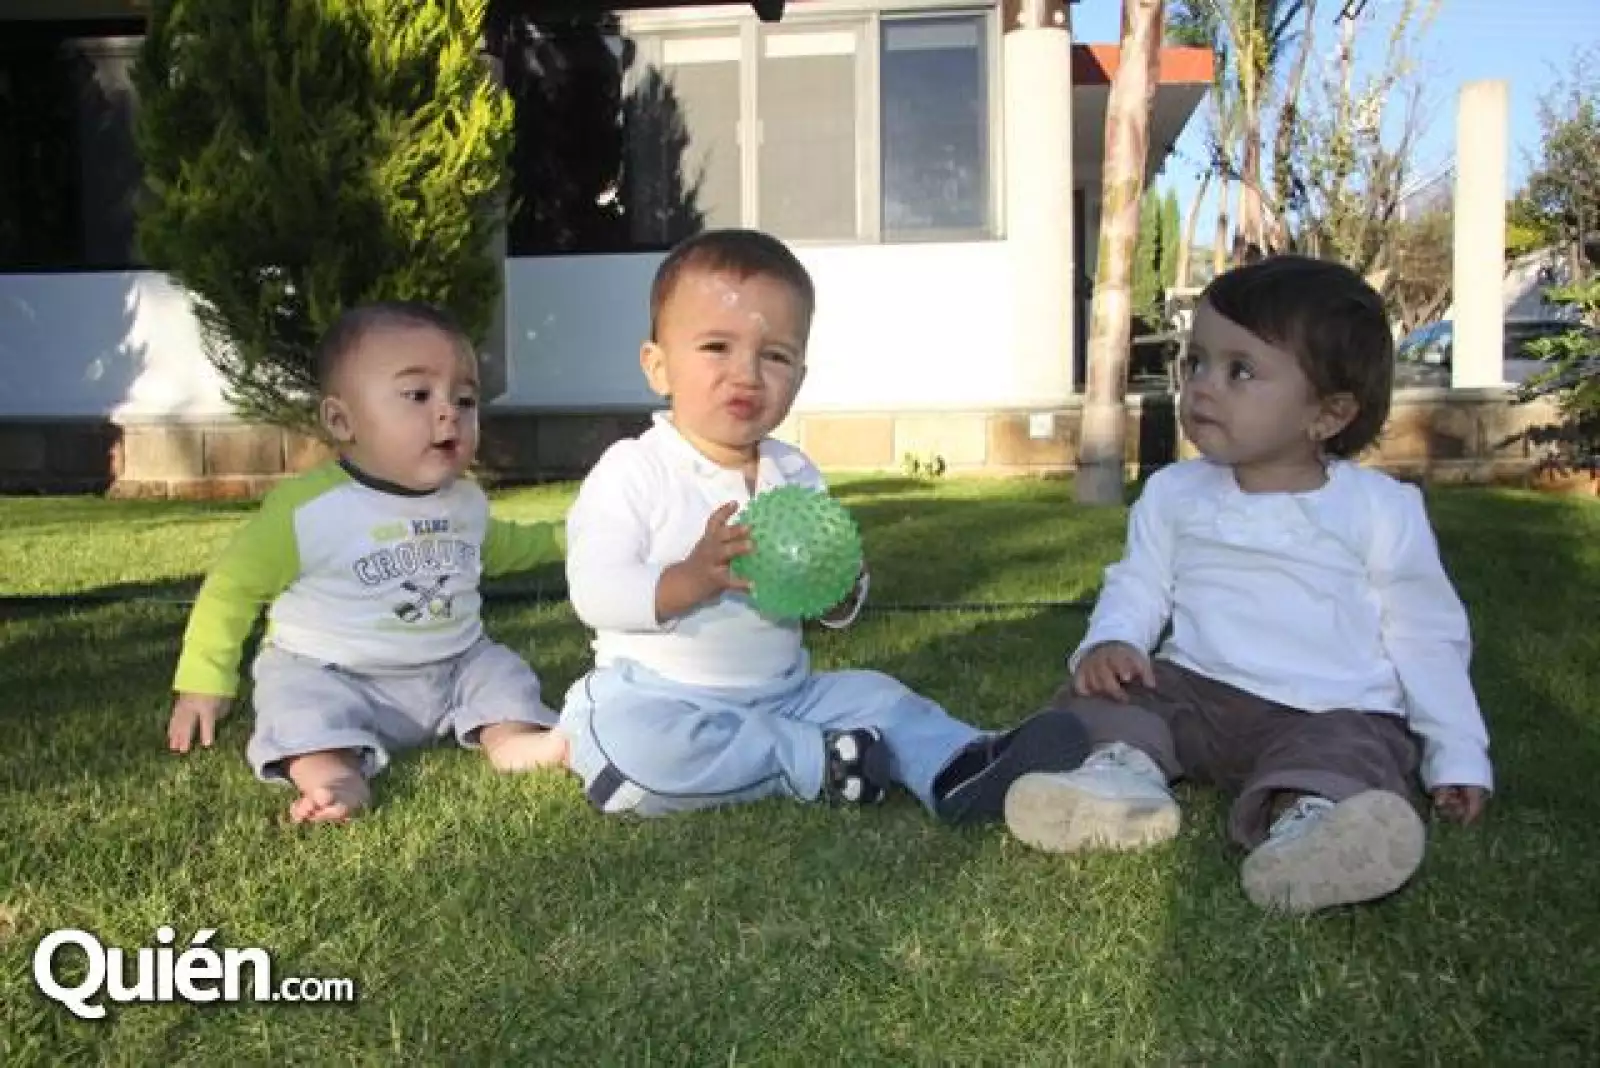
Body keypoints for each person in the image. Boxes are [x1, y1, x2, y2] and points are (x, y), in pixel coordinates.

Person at [1004, 256, 1493, 914]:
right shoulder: (1174, 492)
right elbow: (1140, 582)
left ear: (1327, 414)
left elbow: (1427, 637)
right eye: (1196, 362)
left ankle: (1314, 828)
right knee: (1108, 698)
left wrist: (1457, 753)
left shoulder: (1380, 510)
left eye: (1240, 371)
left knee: (1357, 749)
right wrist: (1112, 639)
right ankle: (1119, 779)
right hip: (1197, 696)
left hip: (1325, 709)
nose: (1203, 387)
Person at [560, 228, 1088, 819]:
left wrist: (840, 589)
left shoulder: (795, 471)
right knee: (642, 755)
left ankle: (965, 766)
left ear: (799, 378)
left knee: (879, 696)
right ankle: (818, 760)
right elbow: (594, 590)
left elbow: (828, 607)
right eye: (716, 347)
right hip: (661, 694)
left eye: (775, 356)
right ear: (657, 366)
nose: (747, 373)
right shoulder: (634, 468)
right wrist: (689, 578)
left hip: (787, 692)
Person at [166, 301, 568, 823]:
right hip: (335, 672)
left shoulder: (465, 502)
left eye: (464, 399)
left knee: (499, 671)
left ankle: (514, 740)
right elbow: (232, 588)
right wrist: (204, 680)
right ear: (342, 419)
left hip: (453, 664)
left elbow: (510, 547)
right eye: (418, 395)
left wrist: (579, 536)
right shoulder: (309, 510)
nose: (448, 411)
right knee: (300, 703)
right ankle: (333, 776)